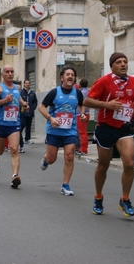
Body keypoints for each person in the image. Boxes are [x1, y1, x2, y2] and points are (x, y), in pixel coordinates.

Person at [83, 52, 134, 216]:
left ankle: (125, 199)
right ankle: (98, 196)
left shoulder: (133, 81)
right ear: (112, 66)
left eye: (125, 61)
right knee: (103, 165)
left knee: (129, 164)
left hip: (124, 128)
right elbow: (87, 101)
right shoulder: (104, 81)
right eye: (119, 62)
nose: (123, 64)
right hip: (106, 127)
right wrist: (107, 105)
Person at [38, 66, 85, 196]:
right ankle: (46, 159)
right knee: (52, 159)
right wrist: (50, 118)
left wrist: (82, 113)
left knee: (69, 157)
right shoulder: (54, 92)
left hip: (70, 131)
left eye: (72, 74)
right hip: (54, 131)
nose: (70, 76)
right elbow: (41, 107)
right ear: (62, 77)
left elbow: (81, 104)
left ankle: (65, 185)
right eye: (67, 74)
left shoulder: (77, 93)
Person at [0, 65, 28, 188]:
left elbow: (18, 98)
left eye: (12, 71)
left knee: (14, 149)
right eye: (7, 72)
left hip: (14, 124)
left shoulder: (18, 87)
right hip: (0, 123)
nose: (10, 74)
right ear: (3, 74)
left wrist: (24, 104)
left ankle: (15, 176)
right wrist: (4, 101)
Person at [19, 79, 38, 152]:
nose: (27, 84)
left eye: (28, 83)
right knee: (22, 125)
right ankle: (19, 139)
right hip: (23, 113)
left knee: (29, 126)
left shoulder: (32, 93)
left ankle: (27, 139)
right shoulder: (21, 92)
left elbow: (35, 102)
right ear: (24, 84)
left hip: (30, 113)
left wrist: (32, 108)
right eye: (26, 83)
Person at [75, 78, 90, 155]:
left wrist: (82, 113)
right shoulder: (88, 92)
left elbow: (80, 103)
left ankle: (83, 149)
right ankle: (83, 148)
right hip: (87, 113)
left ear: (80, 84)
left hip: (81, 114)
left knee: (82, 132)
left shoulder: (80, 93)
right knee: (84, 131)